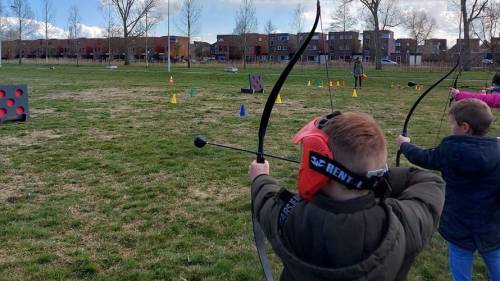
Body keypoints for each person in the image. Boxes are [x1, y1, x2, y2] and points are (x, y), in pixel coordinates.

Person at [250, 111, 445, 281]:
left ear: (319, 167)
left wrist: (260, 176)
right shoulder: (403, 222)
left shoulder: (289, 218)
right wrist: (374, 176)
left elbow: (265, 198)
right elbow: (431, 182)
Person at [397, 99, 500, 281]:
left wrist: (405, 144)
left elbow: (423, 157)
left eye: (453, 123)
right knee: (495, 258)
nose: (451, 127)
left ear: (465, 127)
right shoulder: (497, 150)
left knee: (460, 259)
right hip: (492, 222)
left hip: (458, 221)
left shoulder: (451, 149)